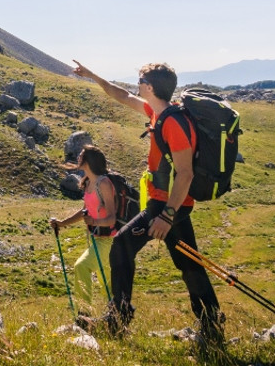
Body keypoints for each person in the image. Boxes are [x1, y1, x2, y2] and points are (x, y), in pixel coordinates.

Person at [70, 60, 223, 343]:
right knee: (188, 261)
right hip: (166, 203)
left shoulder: (174, 124)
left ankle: (117, 320)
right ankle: (211, 323)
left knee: (121, 245)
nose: (138, 86)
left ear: (151, 87)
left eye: (141, 82)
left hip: (167, 205)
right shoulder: (158, 112)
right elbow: (122, 95)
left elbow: (186, 173)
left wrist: (166, 216)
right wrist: (92, 76)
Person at [49, 144, 117, 309]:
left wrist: (94, 222)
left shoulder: (104, 184)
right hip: (95, 238)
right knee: (107, 283)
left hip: (108, 240)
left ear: (89, 161)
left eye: (81, 156)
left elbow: (112, 217)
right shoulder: (88, 183)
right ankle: (117, 315)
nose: (78, 158)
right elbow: (85, 211)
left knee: (81, 266)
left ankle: (84, 312)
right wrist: (62, 223)